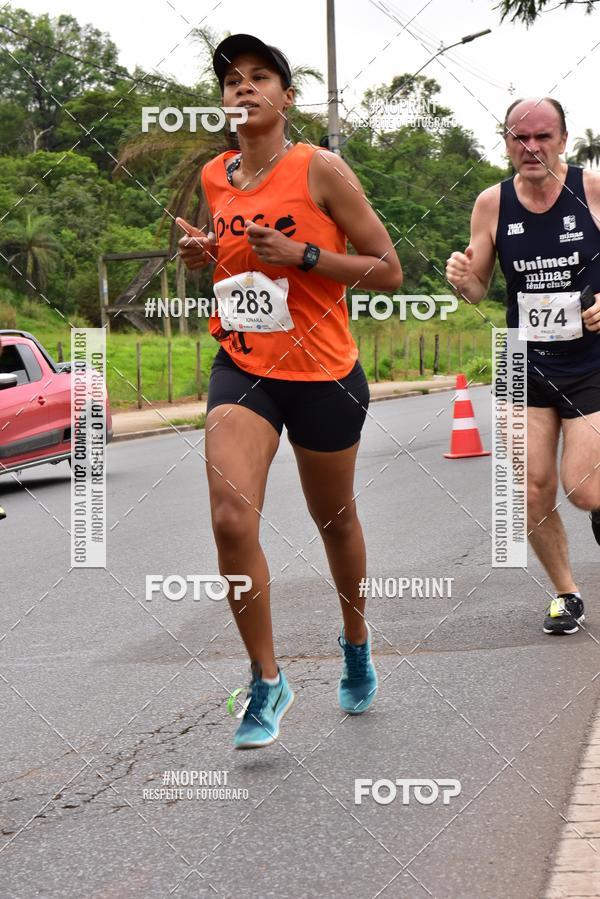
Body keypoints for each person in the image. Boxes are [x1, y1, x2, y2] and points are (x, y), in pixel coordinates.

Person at [178, 33, 403, 747]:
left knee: (334, 521)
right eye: (231, 81)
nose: (242, 89)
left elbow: (388, 269)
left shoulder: (319, 169)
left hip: (324, 373)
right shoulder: (217, 177)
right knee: (229, 518)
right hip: (242, 366)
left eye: (259, 77)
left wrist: (308, 254)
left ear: (286, 96)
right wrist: (206, 254)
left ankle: (356, 640)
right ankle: (267, 680)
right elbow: (240, 262)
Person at [446, 97, 600, 636]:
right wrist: (461, 276)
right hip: (520, 358)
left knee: (583, 489)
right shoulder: (492, 203)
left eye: (542, 136)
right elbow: (478, 287)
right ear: (506, 141)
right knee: (529, 490)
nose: (530, 148)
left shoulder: (592, 189)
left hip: (591, 358)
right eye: (519, 138)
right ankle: (567, 593)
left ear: (562, 138)